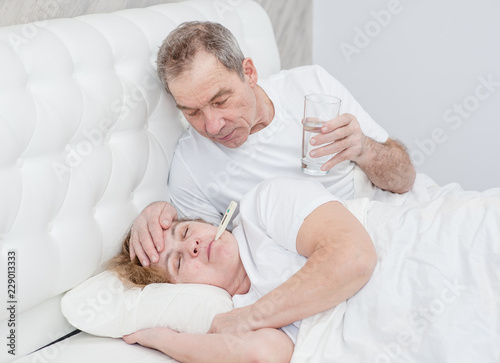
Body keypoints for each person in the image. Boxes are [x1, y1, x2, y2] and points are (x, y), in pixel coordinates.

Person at [129, 20, 414, 334]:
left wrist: (365, 150)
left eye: (220, 101)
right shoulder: (191, 170)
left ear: (248, 72)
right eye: (191, 112)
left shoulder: (311, 86)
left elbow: (404, 179)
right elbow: (208, 266)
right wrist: (155, 211)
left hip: (379, 224)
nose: (211, 125)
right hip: (321, 276)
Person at [112, 178, 377, 362]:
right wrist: (163, 340)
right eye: (178, 262)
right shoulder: (228, 315)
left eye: (186, 231)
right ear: (182, 291)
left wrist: (251, 318)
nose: (191, 245)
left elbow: (355, 255)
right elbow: (263, 355)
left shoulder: (262, 207)